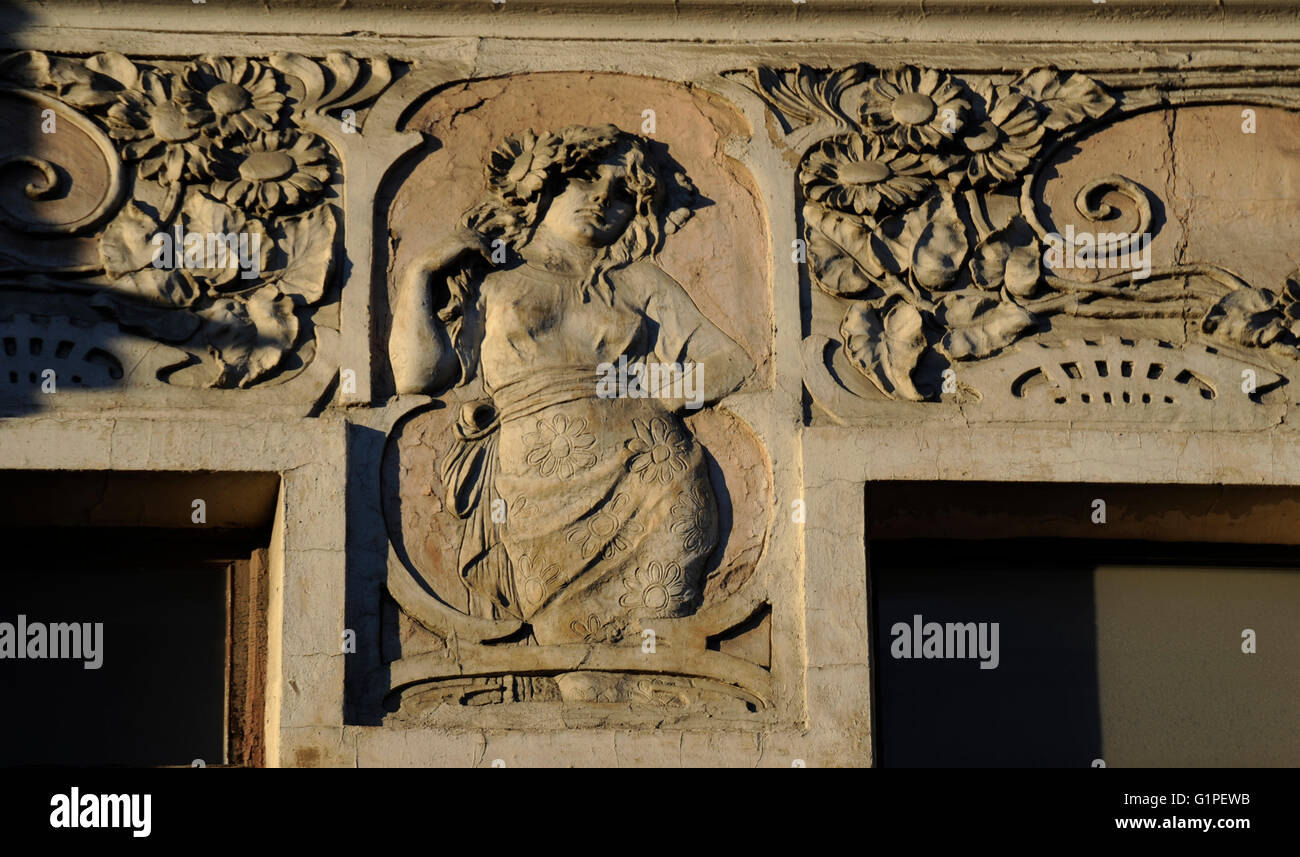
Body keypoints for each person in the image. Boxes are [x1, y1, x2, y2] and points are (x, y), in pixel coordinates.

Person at [390, 124, 752, 647]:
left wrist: (653, 394)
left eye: (625, 194)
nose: (604, 199)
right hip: (530, 481)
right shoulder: (492, 278)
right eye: (586, 179)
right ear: (543, 185)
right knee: (562, 638)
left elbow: (731, 362)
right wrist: (420, 273)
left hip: (653, 477)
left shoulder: (639, 282)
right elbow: (419, 376)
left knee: (652, 645)